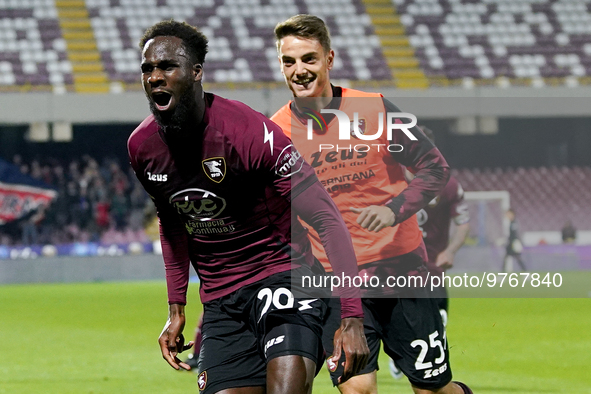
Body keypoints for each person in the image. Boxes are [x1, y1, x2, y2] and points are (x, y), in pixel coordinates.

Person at [128, 20, 369, 394]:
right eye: (148, 69)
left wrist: (352, 316)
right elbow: (172, 224)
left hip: (284, 275)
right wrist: (176, 309)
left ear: (196, 72)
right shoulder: (141, 147)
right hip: (222, 301)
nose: (155, 77)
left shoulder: (250, 133)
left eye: (167, 67)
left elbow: (325, 216)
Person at [271, 14, 472, 394]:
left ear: (329, 59)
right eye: (289, 61)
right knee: (357, 388)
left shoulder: (375, 109)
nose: (299, 70)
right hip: (336, 283)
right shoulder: (276, 131)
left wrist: (394, 209)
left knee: (432, 390)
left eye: (309, 59)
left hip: (402, 272)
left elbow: (434, 168)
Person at [390, 126, 470, 379]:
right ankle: (401, 356)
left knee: (438, 322)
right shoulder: (391, 181)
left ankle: (431, 373)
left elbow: (463, 221)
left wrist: (451, 250)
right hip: (396, 266)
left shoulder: (448, 185)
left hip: (432, 267)